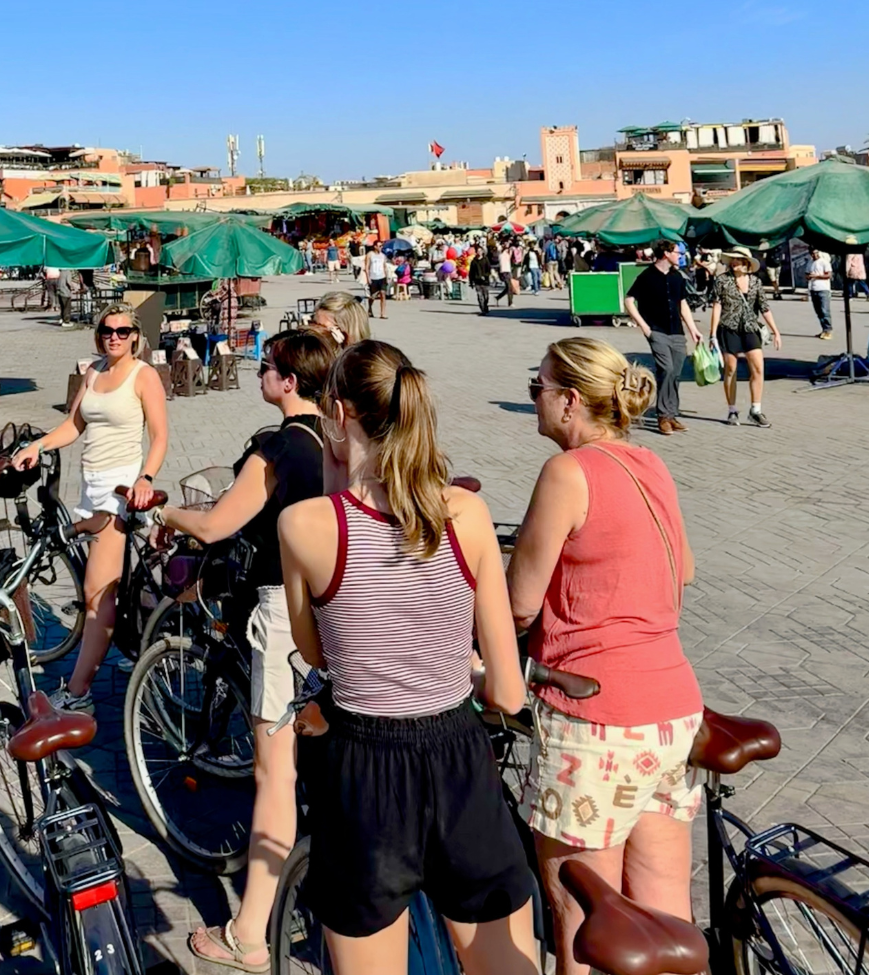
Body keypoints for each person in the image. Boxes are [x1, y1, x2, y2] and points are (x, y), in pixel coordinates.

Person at [278, 340, 536, 975]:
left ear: (338, 413)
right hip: (459, 761)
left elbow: (319, 652)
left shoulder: (304, 526)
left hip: (362, 768)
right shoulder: (466, 515)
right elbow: (508, 693)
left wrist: (335, 481)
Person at [507, 336, 703, 975]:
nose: (532, 398)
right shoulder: (649, 462)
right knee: (664, 920)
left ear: (569, 400)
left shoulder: (567, 473)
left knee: (583, 931)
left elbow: (519, 604)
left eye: (537, 387)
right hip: (671, 710)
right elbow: (684, 570)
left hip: (595, 720)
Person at [145, 331, 334, 973]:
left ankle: (249, 933)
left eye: (266, 368)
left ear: (288, 381)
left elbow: (216, 523)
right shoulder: (335, 439)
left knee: (273, 773)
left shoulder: (278, 446)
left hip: (283, 609)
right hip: (336, 602)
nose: (260, 375)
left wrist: (167, 516)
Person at [10, 302, 168, 712]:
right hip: (90, 487)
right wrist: (37, 445)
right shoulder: (94, 371)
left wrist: (145, 478)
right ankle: (134, 642)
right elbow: (73, 425)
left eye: (122, 331)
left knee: (97, 594)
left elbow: (160, 437)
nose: (114, 337)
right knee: (109, 584)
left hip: (121, 492)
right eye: (106, 330)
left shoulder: (143, 375)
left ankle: (79, 694)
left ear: (135, 336)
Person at [623, 239, 703, 436]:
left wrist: (693, 329)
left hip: (677, 331)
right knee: (666, 369)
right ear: (666, 253)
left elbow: (682, 304)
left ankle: (671, 413)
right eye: (677, 253)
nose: (680, 256)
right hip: (656, 330)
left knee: (675, 373)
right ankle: (663, 416)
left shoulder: (677, 277)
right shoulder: (647, 276)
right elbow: (629, 300)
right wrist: (644, 327)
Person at [710, 247, 781, 428]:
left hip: (750, 328)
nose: (734, 263)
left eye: (738, 260)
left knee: (758, 368)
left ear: (746, 263)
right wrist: (712, 334)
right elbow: (717, 306)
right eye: (732, 260)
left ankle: (756, 410)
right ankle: (732, 410)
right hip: (728, 328)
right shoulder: (722, 280)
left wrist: (776, 331)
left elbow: (764, 307)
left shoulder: (756, 282)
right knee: (731, 369)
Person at [808, 249, 834, 339]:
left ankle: (828, 330)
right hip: (813, 289)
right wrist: (809, 276)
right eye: (812, 253)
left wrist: (817, 276)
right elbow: (807, 274)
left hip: (823, 289)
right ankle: (824, 330)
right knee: (819, 312)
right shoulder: (810, 263)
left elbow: (829, 275)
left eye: (816, 253)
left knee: (825, 311)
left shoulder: (824, 262)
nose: (814, 255)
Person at [364, 242, 388, 319]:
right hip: (373, 277)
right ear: (375, 246)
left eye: (382, 246)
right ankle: (370, 308)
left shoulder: (383, 256)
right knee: (373, 296)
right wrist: (368, 278)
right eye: (379, 246)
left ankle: (382, 313)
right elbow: (366, 267)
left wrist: (387, 277)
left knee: (383, 294)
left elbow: (385, 267)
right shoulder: (370, 254)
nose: (381, 247)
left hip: (382, 277)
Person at [468, 243, 493, 315]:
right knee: (480, 296)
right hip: (477, 281)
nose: (479, 252)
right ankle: (483, 310)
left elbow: (489, 270)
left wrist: (485, 276)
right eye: (478, 251)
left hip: (485, 281)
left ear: (482, 252)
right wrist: (471, 282)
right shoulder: (473, 261)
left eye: (480, 251)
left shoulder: (486, 260)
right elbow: (471, 272)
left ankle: (485, 306)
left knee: (486, 296)